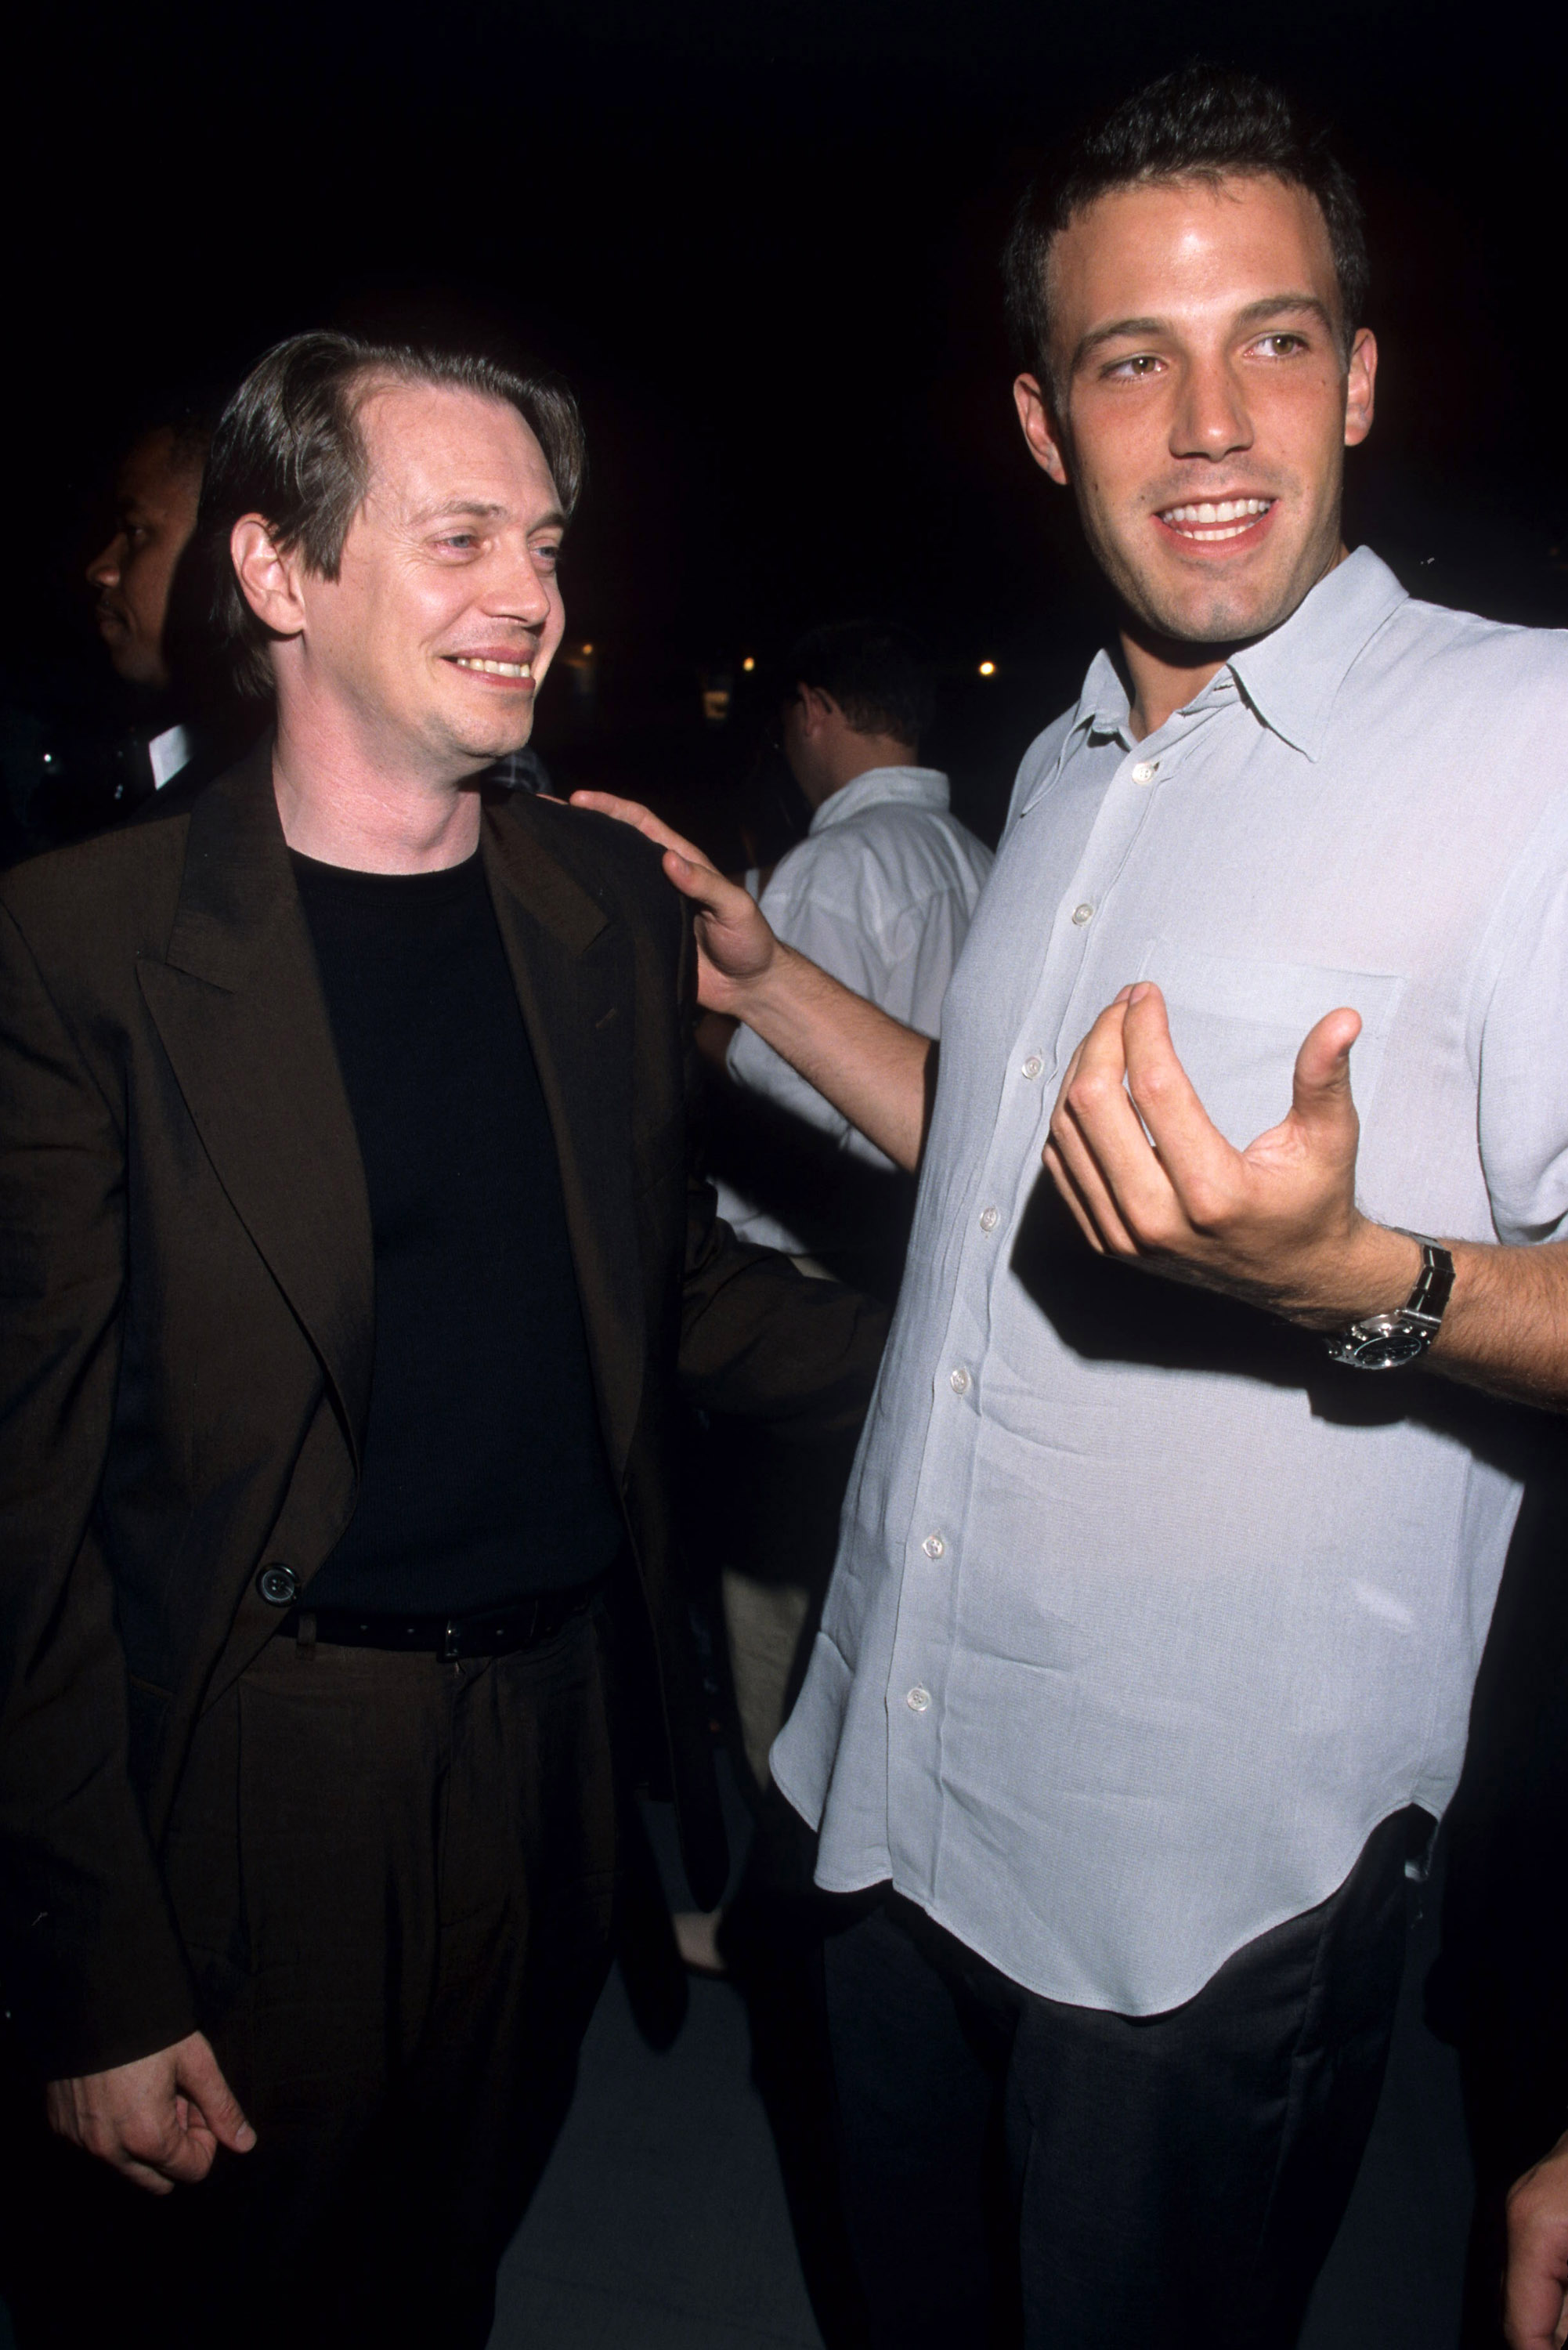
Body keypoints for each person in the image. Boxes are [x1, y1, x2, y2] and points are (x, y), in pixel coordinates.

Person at [577, 64, 1568, 2348]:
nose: (1211, 420)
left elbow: (1360, 1276)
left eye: (1276, 340)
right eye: (1135, 358)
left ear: (1363, 377)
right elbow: (1026, 1166)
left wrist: (1360, 1289)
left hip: (1198, 1904)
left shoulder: (1519, 745)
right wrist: (771, 993)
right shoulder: (1063, 759)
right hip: (894, 1795)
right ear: (1046, 420)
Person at [0, 329, 885, 2348]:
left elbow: (658, 1295)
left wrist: (992, 1380)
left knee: (441, 2287)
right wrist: (89, 1967)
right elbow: (23, 1513)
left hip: (555, 1757)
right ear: (278, 571)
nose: (532, 596)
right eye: (462, 534)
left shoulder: (597, 902)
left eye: (548, 543)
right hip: (255, 1785)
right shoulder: (86, 952)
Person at [703, 620, 992, 1810]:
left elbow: (772, 1076)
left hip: (806, 1280)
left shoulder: (835, 865)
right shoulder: (977, 852)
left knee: (782, 1589)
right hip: (917, 1264)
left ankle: (782, 1886)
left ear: (814, 709)